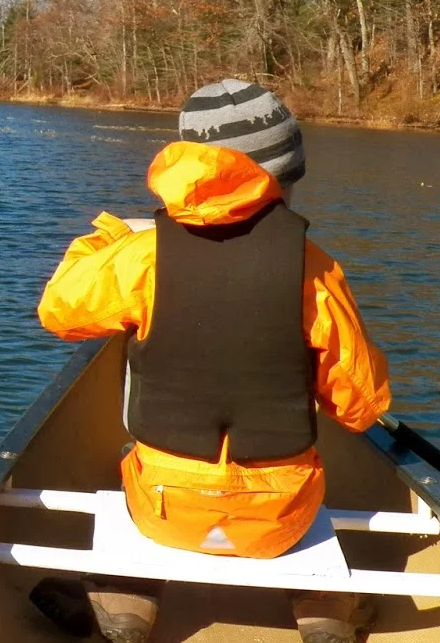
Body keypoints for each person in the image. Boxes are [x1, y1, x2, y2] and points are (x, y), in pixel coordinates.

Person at [34, 79, 392, 643]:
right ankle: (324, 608)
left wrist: (107, 238)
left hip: (165, 507)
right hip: (279, 518)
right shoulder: (317, 270)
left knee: (140, 465)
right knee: (306, 481)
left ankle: (127, 604)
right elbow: (361, 408)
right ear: (286, 177)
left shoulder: (142, 257)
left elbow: (58, 312)